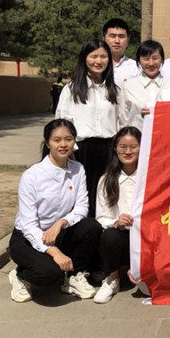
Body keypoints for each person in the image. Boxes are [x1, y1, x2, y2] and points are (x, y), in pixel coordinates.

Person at [8, 119, 102, 303]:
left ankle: (74, 277)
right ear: (47, 143)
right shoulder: (32, 176)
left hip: (58, 232)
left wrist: (61, 223)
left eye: (68, 139)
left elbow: (82, 207)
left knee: (91, 226)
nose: (63, 144)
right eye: (57, 140)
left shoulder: (78, 169)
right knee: (50, 274)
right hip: (28, 237)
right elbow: (28, 225)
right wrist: (55, 253)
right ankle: (20, 275)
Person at [56, 40, 129, 216]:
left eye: (103, 56)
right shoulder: (71, 89)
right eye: (93, 56)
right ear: (84, 58)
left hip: (108, 149)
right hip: (82, 151)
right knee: (83, 194)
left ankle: (105, 225)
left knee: (106, 192)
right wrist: (71, 151)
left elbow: (122, 122)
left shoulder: (115, 90)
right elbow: (63, 124)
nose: (98, 61)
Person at [94, 126, 141, 304]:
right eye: (123, 146)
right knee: (109, 236)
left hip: (144, 237)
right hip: (120, 237)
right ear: (115, 148)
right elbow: (101, 217)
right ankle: (112, 278)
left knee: (146, 289)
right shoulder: (106, 180)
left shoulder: (149, 178)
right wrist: (116, 222)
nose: (128, 151)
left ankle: (144, 272)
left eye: (133, 147)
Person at [124, 40, 166, 130]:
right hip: (136, 137)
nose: (151, 63)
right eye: (146, 59)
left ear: (162, 59)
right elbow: (122, 119)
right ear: (139, 60)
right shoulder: (128, 86)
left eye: (155, 58)